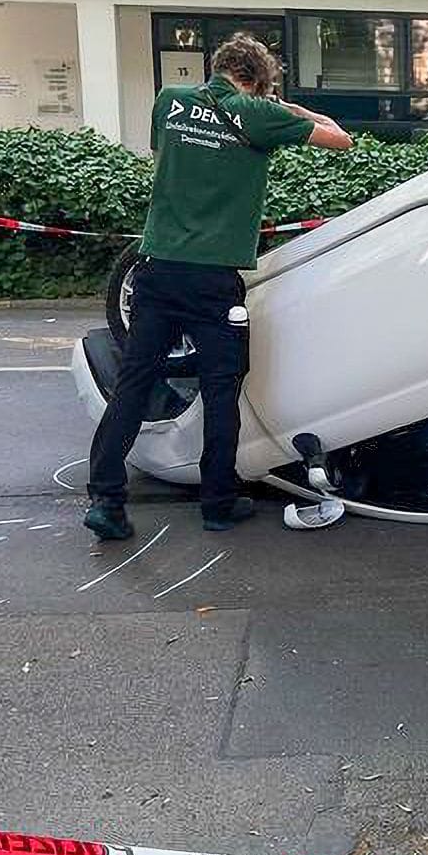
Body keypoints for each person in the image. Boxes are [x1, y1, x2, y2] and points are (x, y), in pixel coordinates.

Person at [84, 34, 355, 540]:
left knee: (134, 384)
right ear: (259, 80)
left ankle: (106, 499)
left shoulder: (170, 102)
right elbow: (341, 139)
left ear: (218, 67)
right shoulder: (260, 114)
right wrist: (289, 108)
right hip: (212, 280)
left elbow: (168, 147)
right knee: (221, 388)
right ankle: (218, 503)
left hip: (156, 270)